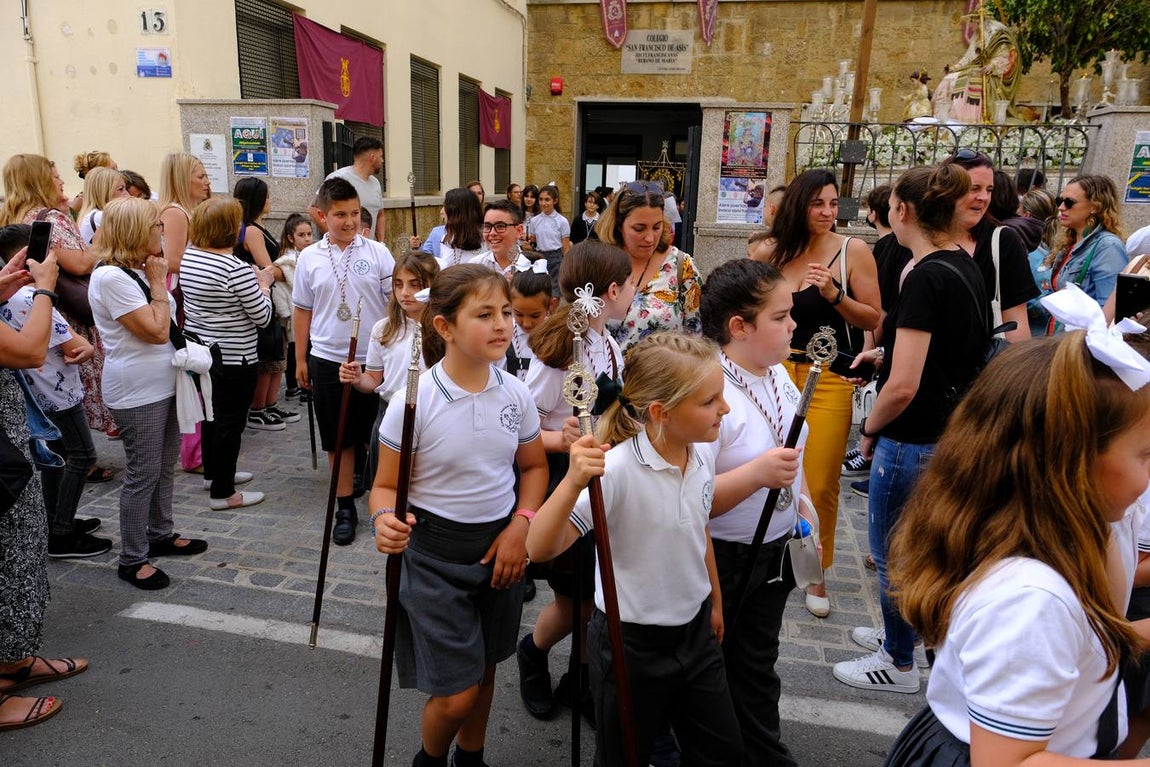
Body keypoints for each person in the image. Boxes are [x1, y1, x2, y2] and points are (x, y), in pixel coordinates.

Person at [883, 320, 1150, 763]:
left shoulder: (1076, 536)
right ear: (1073, 463)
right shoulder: (1032, 600)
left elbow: (1084, 642)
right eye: (1146, 453)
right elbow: (1009, 761)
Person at [526, 331, 743, 767]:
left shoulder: (700, 454)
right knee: (624, 755)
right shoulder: (616, 471)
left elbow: (698, 530)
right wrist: (572, 481)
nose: (725, 408)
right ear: (662, 412)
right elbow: (539, 547)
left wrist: (715, 601)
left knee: (723, 754)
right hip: (630, 643)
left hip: (696, 633)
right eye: (709, 401)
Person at [370, 264, 547, 767]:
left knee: (485, 668)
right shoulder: (414, 402)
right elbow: (385, 486)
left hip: (500, 552)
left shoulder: (516, 392)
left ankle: (471, 758)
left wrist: (521, 524)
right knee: (457, 692)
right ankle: (428, 760)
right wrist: (383, 519)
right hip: (434, 556)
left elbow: (534, 468)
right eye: (484, 314)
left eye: (506, 312)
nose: (502, 324)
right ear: (444, 326)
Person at [831, 164, 987, 694]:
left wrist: (869, 430)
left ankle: (897, 662)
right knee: (913, 549)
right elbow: (945, 350)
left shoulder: (925, 276)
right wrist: (882, 352)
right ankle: (900, 635)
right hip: (945, 430)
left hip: (911, 436)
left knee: (891, 553)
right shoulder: (959, 263)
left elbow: (902, 388)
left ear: (903, 211)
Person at [750, 169, 881, 617]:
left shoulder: (852, 250)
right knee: (763, 468)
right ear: (797, 206)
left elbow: (872, 317)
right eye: (817, 203)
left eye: (833, 203)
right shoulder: (772, 252)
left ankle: (815, 571)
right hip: (772, 373)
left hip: (824, 378)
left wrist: (834, 293)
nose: (827, 212)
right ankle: (762, 553)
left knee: (821, 480)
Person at [700, 258, 810, 767]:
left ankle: (758, 747)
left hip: (775, 547)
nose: (793, 326)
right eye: (781, 317)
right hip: (723, 556)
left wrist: (804, 510)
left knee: (757, 659)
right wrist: (756, 475)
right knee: (719, 661)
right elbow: (689, 499)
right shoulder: (710, 392)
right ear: (739, 327)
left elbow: (793, 451)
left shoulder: (778, 373)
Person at [517, 241, 633, 720]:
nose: (633, 292)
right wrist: (558, 439)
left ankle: (580, 678)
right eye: (630, 284)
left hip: (604, 475)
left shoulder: (609, 343)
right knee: (576, 600)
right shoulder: (559, 354)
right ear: (612, 291)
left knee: (597, 595)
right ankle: (533, 652)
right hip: (566, 482)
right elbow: (520, 426)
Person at [88, 197, 208, 590]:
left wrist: (155, 277)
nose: (163, 231)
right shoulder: (112, 278)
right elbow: (156, 331)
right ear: (136, 232)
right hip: (136, 389)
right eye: (157, 225)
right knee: (143, 473)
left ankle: (160, 533)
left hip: (163, 382)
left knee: (164, 464)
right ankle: (132, 557)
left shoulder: (137, 270)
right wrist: (159, 282)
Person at [0, 243, 91, 731]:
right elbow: (28, 351)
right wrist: (44, 290)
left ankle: (14, 659)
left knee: (21, 548)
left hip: (9, 443)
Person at [294, 177, 395, 546]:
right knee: (338, 439)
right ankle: (345, 507)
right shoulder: (309, 258)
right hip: (327, 358)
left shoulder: (378, 253)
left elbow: (393, 304)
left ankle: (381, 501)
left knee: (376, 434)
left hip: (373, 359)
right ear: (323, 216)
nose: (349, 221)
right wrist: (300, 357)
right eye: (340, 214)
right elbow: (303, 309)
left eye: (354, 213)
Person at [0, 227, 109, 559]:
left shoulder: (9, 296)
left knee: (55, 460)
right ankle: (61, 532)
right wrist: (46, 289)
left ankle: (57, 520)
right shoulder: (32, 298)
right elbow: (72, 345)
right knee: (81, 456)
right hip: (59, 394)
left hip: (36, 396)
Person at [1, 154, 119, 457]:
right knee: (65, 396)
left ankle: (61, 454)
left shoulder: (13, 216)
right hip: (54, 310)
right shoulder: (48, 218)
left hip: (27, 312)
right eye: (55, 175)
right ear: (39, 180)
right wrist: (101, 239)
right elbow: (79, 263)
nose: (62, 181)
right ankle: (78, 461)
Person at [179, 197, 273, 511]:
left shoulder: (190, 256)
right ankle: (224, 492)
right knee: (230, 422)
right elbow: (262, 316)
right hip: (236, 356)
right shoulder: (236, 269)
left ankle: (215, 474)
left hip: (203, 352)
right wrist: (264, 285)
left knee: (212, 415)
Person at [338, 249, 438, 488]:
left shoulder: (444, 327)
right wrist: (358, 378)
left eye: (415, 284)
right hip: (391, 413)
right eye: (398, 284)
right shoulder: (384, 329)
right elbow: (373, 380)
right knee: (388, 486)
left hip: (432, 415)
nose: (405, 293)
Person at [943, 149, 1037, 345]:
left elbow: (1016, 323)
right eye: (974, 188)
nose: (984, 197)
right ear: (947, 190)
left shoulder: (1003, 241)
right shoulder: (916, 238)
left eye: (989, 190)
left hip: (985, 361)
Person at [600, 181, 704, 354]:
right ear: (619, 225)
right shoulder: (599, 263)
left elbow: (697, 338)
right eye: (639, 229)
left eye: (657, 227)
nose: (649, 238)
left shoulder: (682, 267)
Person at [232, 177, 297, 430]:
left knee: (278, 352)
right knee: (268, 354)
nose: (270, 200)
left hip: (273, 295)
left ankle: (270, 403)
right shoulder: (251, 230)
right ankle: (258, 407)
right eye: (267, 196)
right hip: (263, 295)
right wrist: (289, 269)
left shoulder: (259, 227)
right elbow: (267, 268)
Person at [1040, 175, 1128, 333]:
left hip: (1081, 342)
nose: (1061, 207)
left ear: (1095, 206)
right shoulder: (1069, 243)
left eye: (1069, 202)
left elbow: (1109, 313)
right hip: (1059, 338)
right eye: (1059, 201)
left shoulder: (1107, 247)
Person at [313, 137, 385, 242]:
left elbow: (380, 215)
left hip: (367, 248)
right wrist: (336, 237)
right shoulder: (339, 177)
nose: (382, 161)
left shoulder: (375, 183)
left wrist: (381, 243)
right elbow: (313, 209)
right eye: (381, 156)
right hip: (341, 248)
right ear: (372, 157)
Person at [277, 213, 312, 400]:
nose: (307, 239)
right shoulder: (287, 260)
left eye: (309, 234)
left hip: (310, 310)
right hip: (294, 310)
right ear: (291, 238)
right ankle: (294, 386)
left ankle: (305, 387)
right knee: (295, 349)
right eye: (301, 235)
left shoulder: (312, 254)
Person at [504, 263, 554, 381]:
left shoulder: (555, 336)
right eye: (519, 314)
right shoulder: (503, 334)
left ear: (550, 305)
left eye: (535, 316)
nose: (526, 323)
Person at [1020, 188, 1059, 336]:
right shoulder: (1064, 245)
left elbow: (1037, 303)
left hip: (1034, 335)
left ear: (1026, 215)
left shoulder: (1028, 252)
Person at [470, 200, 531, 279]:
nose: (492, 233)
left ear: (519, 231)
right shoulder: (476, 266)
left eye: (500, 226)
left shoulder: (532, 268)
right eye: (487, 226)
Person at [529, 185, 571, 297]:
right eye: (541, 199)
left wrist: (567, 265)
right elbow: (533, 242)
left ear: (555, 201)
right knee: (540, 291)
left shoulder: (562, 221)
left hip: (556, 258)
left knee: (554, 293)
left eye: (547, 200)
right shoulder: (534, 221)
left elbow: (566, 247)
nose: (543, 203)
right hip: (539, 257)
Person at [77, 166, 130, 246]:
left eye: (125, 188)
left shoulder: (92, 215)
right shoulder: (100, 216)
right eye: (121, 189)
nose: (127, 194)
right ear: (104, 192)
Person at [436, 188, 485, 269]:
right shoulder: (446, 238)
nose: (442, 211)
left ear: (456, 211)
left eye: (445, 206)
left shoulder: (486, 240)